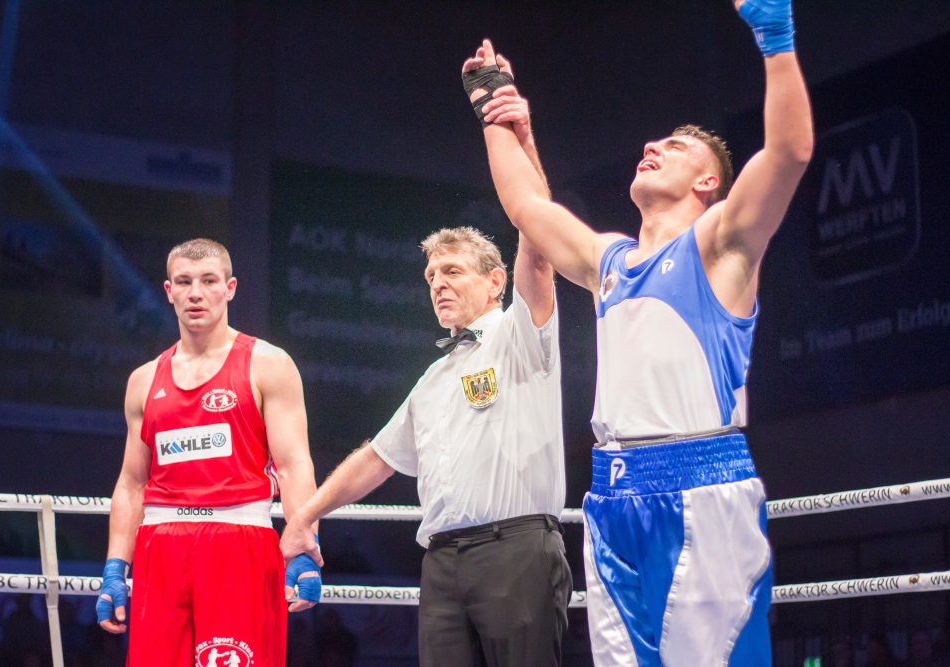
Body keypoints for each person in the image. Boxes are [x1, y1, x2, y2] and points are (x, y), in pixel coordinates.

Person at [462, 0, 813, 664]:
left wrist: (776, 38)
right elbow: (526, 207)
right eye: (653, 144)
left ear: (708, 181)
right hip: (612, 497)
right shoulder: (611, 262)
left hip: (701, 488)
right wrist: (493, 110)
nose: (651, 147)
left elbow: (789, 153)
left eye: (674, 147)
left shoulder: (722, 245)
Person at [281, 226, 573, 667]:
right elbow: (377, 458)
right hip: (441, 563)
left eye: (452, 271)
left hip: (515, 550)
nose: (438, 284)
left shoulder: (520, 336)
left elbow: (536, 259)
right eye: (431, 276)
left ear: (495, 281)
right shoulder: (433, 379)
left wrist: (525, 198)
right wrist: (305, 516)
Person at [95, 238, 321, 665]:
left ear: (230, 288)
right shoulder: (143, 381)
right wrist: (114, 568)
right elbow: (132, 482)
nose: (195, 293)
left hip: (240, 542)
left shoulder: (269, 365)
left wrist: (304, 547)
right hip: (160, 547)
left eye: (208, 281)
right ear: (169, 291)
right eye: (184, 282)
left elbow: (293, 466)